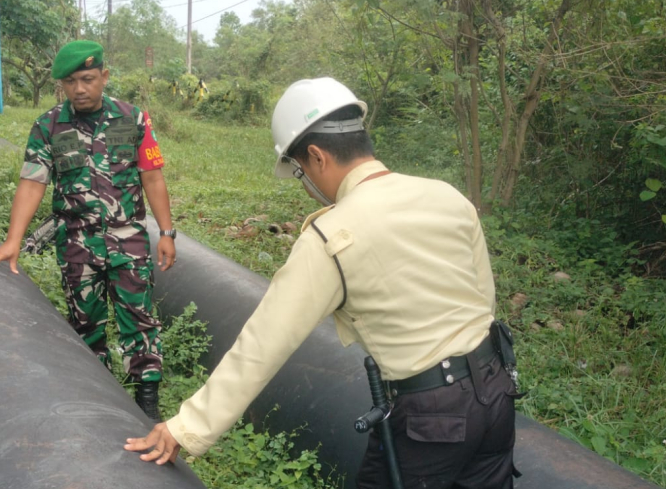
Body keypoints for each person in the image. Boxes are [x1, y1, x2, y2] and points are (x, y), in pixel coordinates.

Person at [124, 77, 519, 487]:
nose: (307, 186)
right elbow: (483, 300)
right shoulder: (446, 195)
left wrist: (186, 427)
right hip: (497, 389)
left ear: (316, 156)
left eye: (300, 171)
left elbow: (263, 344)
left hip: (432, 416)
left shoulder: (333, 236)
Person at [0, 40, 176, 422]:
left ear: (104, 76)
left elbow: (152, 176)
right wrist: (13, 241)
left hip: (129, 242)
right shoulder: (48, 126)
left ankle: (147, 404)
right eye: (70, 82)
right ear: (62, 85)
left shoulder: (133, 119)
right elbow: (32, 182)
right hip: (77, 246)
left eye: (87, 79)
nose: (79, 89)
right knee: (85, 325)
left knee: (139, 320)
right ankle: (98, 403)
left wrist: (166, 232)